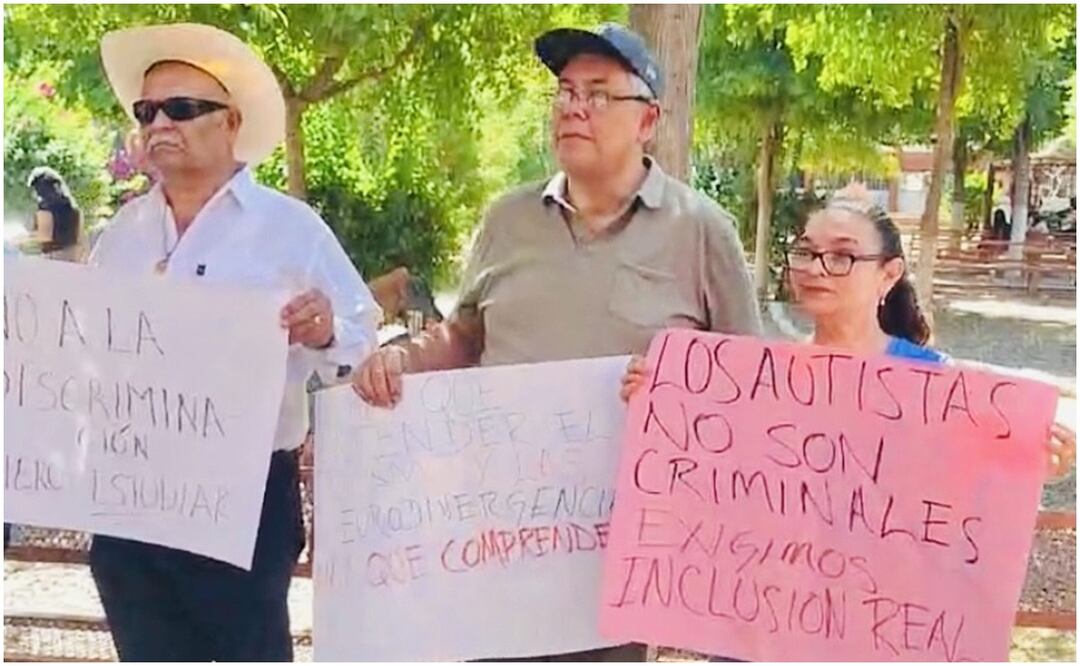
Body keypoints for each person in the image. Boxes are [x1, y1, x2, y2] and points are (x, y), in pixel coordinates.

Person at [353, 23, 761, 662]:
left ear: (647, 120)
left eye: (598, 94)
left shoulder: (702, 231)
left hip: (622, 555)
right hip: (496, 539)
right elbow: (465, 334)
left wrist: (680, 392)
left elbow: (746, 383)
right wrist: (404, 358)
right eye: (566, 92)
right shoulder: (506, 219)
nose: (573, 107)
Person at [86, 23, 380, 661]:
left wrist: (326, 329)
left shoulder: (290, 230)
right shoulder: (120, 239)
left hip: (246, 493)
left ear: (230, 123)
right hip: (132, 492)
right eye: (147, 111)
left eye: (182, 108)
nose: (160, 122)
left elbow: (361, 334)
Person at [622, 184, 1076, 478]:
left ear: (889, 274)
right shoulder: (761, 380)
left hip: (892, 611)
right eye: (806, 251)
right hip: (785, 604)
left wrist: (1028, 463)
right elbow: (728, 472)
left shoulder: (937, 386)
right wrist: (663, 402)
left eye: (842, 256)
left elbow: (966, 503)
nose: (818, 268)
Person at [17, 166, 84, 261]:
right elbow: (80, 239)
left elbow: (44, 236)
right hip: (73, 258)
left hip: (52, 260)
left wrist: (20, 239)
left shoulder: (46, 208)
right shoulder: (74, 209)